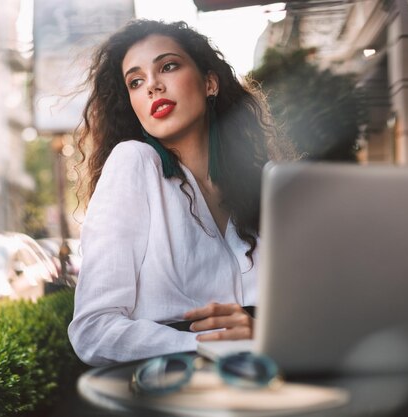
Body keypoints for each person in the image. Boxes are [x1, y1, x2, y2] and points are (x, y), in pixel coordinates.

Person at [68, 19, 293, 367]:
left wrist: (264, 333)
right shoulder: (135, 163)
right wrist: (211, 344)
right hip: (177, 390)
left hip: (271, 385)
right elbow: (93, 331)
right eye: (136, 82)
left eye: (168, 66)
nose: (153, 87)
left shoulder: (263, 185)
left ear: (210, 82)